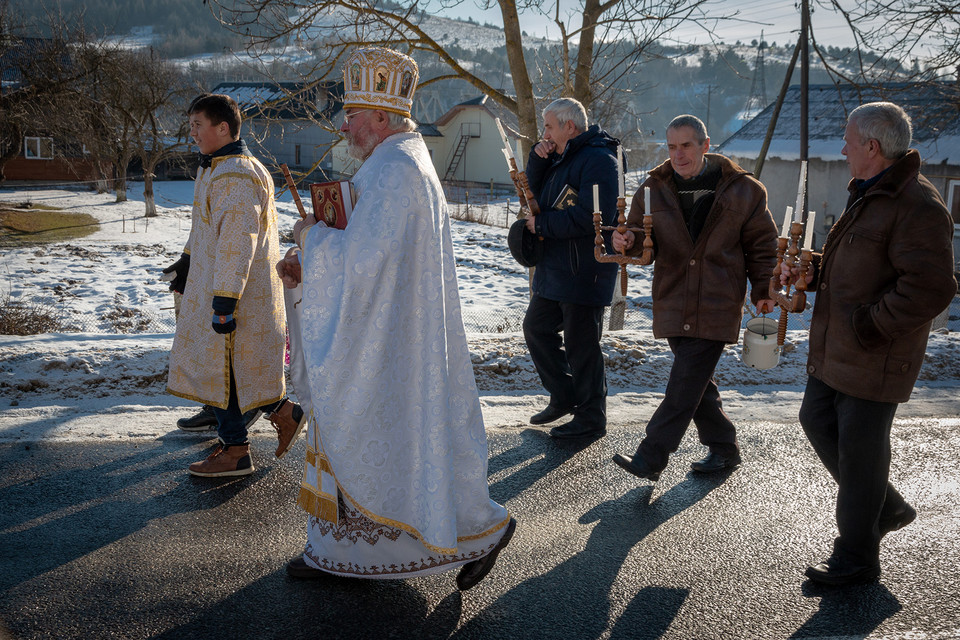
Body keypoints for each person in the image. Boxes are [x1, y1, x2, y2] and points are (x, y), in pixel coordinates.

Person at [275, 47, 515, 590]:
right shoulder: (398, 163)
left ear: (381, 118)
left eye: (353, 114)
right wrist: (312, 256)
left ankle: (403, 547)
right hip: (386, 332)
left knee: (387, 436)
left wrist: (309, 238)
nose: (344, 124)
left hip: (383, 340)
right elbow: (363, 252)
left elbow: (361, 264)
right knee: (407, 441)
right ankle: (349, 553)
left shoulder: (397, 171)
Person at [781, 102, 956, 586]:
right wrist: (813, 270)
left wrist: (871, 326)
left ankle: (856, 559)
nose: (842, 148)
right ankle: (890, 508)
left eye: (848, 140)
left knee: (861, 458)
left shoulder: (917, 205)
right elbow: (858, 265)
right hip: (837, 350)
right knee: (815, 420)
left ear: (872, 148)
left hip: (875, 354)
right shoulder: (871, 193)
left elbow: (933, 286)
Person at [611, 114, 777, 481]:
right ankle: (723, 447)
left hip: (718, 299)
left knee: (684, 382)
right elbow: (639, 237)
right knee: (695, 382)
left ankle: (651, 456)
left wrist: (763, 291)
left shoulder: (744, 190)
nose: (678, 154)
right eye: (671, 146)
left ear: (705, 144)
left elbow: (763, 248)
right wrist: (625, 241)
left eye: (686, 145)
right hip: (673, 297)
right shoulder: (652, 188)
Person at [166, 93, 306, 477]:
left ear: (222, 128)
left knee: (225, 370)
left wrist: (224, 302)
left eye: (198, 125)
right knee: (239, 368)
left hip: (235, 294)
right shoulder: (217, 168)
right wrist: (188, 261)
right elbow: (207, 229)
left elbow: (236, 244)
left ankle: (236, 451)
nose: (192, 133)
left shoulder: (237, 175)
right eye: (191, 125)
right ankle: (284, 413)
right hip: (222, 287)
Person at [521, 97, 620, 440]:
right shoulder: (562, 157)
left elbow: (594, 218)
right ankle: (564, 395)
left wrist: (543, 225)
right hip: (556, 269)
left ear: (569, 126)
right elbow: (533, 194)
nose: (544, 132)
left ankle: (592, 418)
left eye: (548, 126)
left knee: (583, 346)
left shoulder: (599, 160)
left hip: (586, 270)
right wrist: (537, 157)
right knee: (536, 328)